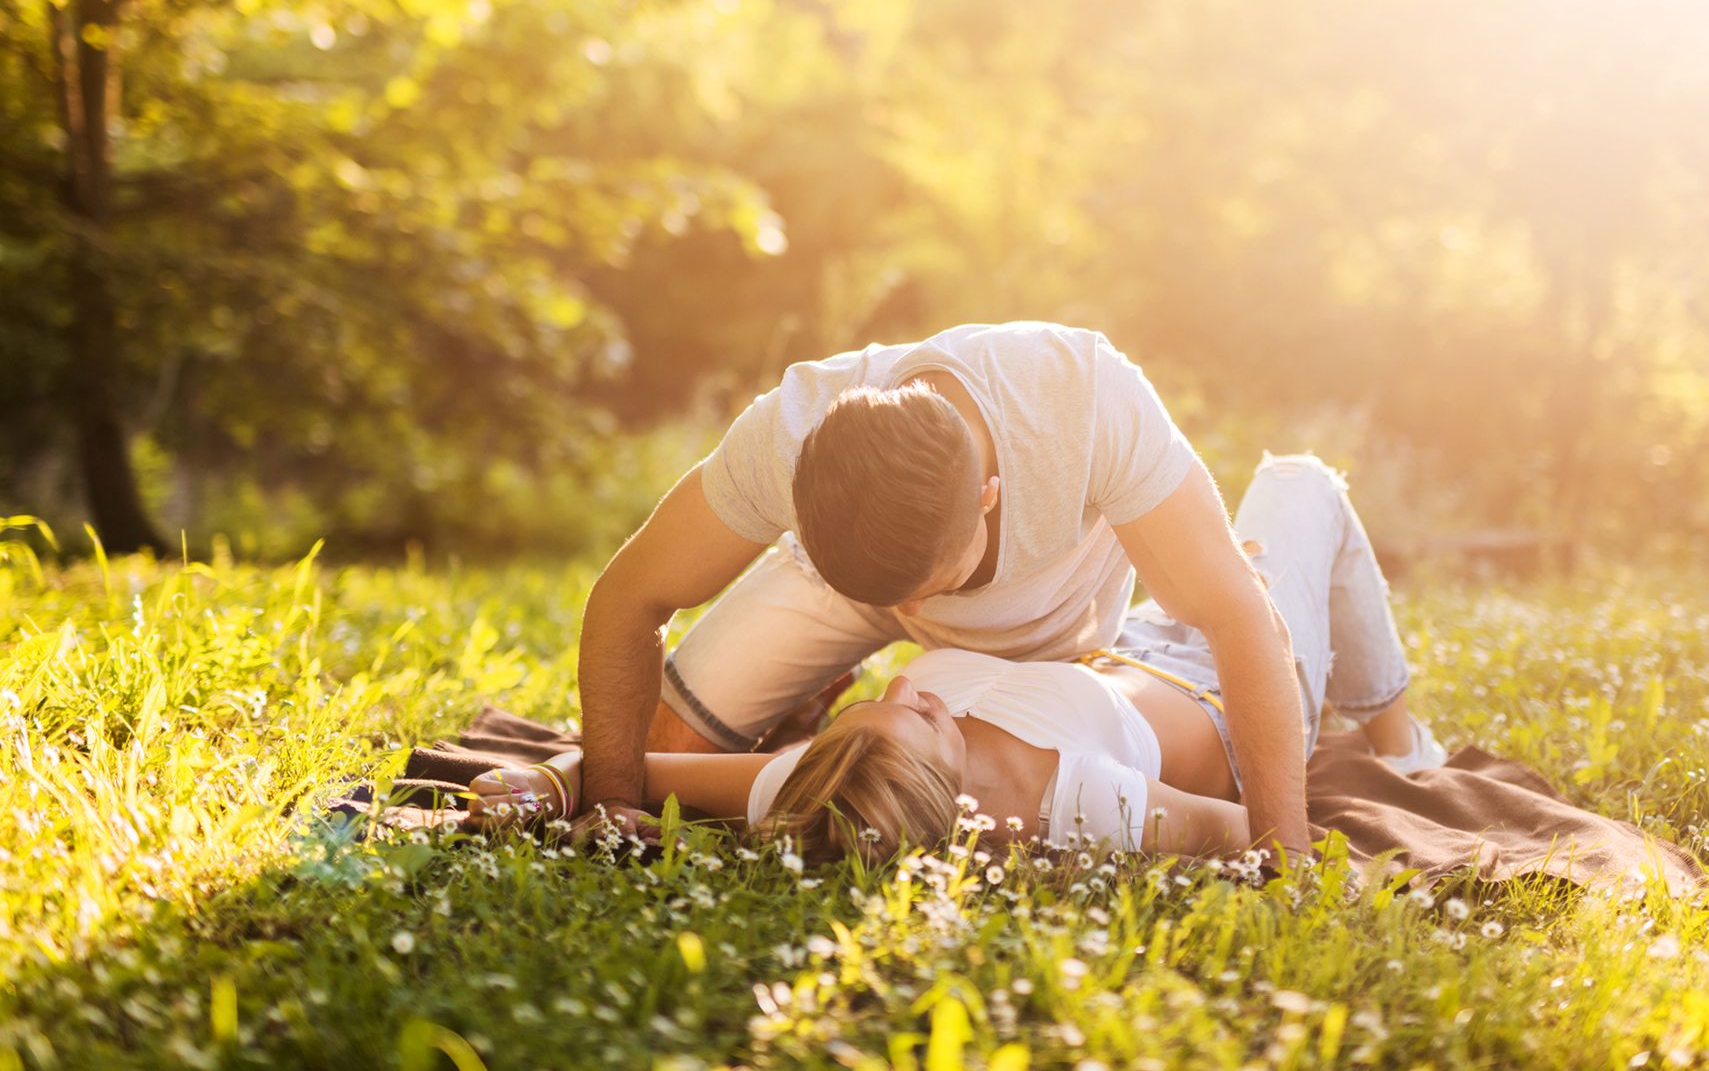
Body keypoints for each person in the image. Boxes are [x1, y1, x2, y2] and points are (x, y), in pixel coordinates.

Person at [575, 322, 1433, 857]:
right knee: (664, 732)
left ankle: (1398, 733)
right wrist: (608, 800)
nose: (917, 638)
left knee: (1293, 490)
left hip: (1070, 628)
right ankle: (838, 639)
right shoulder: (787, 439)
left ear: (990, 496)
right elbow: (627, 601)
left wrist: (1283, 852)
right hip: (927, 603)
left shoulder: (1085, 400)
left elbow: (1240, 618)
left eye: (934, 588)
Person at [476, 453, 1445, 861]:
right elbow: (1245, 829)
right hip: (1233, 687)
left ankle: (1346, 682)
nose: (901, 682)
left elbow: (636, 771)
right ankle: (1397, 736)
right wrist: (1249, 622)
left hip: (1135, 642)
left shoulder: (831, 781)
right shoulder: (1072, 796)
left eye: (876, 700)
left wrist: (549, 785)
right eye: (921, 711)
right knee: (1298, 481)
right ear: (955, 794)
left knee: (1231, 546)